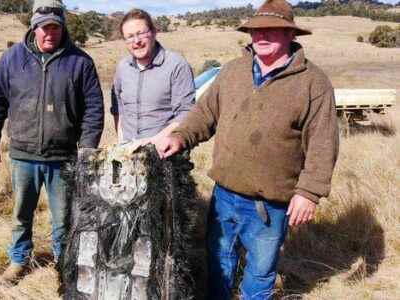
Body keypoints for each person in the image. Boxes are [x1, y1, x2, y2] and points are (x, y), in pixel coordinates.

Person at [154, 0, 339, 299]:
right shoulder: (231, 72)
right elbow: (205, 115)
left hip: (271, 202)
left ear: (291, 35)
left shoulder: (313, 83)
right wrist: (180, 137)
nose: (262, 36)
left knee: (261, 271)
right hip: (225, 193)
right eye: (256, 30)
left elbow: (323, 143)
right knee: (218, 260)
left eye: (272, 30)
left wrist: (309, 192)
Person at [0, 0, 104, 282]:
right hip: (22, 155)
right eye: (43, 27)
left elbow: (94, 110)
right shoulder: (12, 58)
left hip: (63, 158)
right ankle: (18, 260)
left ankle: (64, 262)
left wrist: (87, 149)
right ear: (33, 27)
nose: (49, 33)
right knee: (21, 215)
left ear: (62, 27)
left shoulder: (80, 62)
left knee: (63, 218)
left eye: (55, 27)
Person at [111, 8, 195, 146]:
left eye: (141, 33)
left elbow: (186, 113)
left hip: (165, 154)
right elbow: (118, 106)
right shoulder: (123, 67)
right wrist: (121, 139)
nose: (136, 41)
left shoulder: (176, 65)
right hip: (128, 152)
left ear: (154, 32)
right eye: (130, 36)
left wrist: (152, 142)